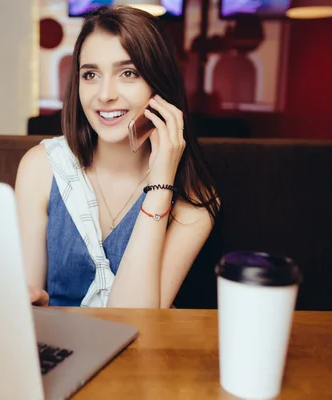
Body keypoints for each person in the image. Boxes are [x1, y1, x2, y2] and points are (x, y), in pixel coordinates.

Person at [16, 5, 221, 309]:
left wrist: (161, 185)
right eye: (91, 74)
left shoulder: (196, 200)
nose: (104, 94)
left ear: (159, 85)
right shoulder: (41, 167)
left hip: (139, 353)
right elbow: (27, 303)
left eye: (128, 73)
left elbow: (136, 319)